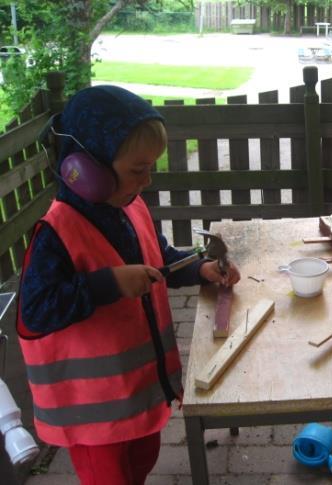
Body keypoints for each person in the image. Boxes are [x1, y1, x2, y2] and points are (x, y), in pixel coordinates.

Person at [16, 85, 240, 485]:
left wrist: (199, 269)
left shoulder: (129, 207)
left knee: (141, 464)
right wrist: (106, 285)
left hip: (135, 397)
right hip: (93, 416)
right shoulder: (56, 232)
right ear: (87, 170)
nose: (148, 179)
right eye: (138, 169)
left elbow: (158, 259)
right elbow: (35, 311)